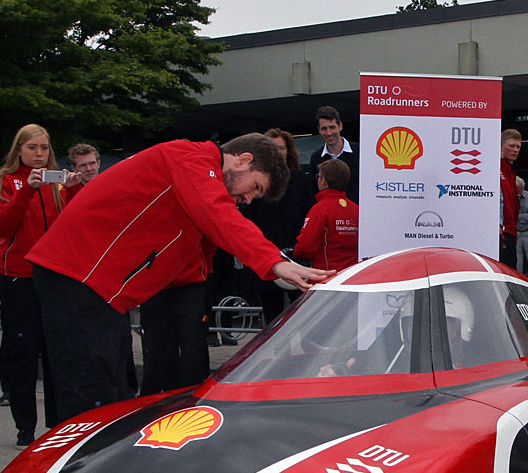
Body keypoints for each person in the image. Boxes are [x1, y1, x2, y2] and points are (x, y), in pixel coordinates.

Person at [28, 133, 331, 424]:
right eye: (255, 187)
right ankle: (76, 472)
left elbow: (212, 229)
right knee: (91, 394)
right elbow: (220, 216)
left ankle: (88, 467)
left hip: (95, 287)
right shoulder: (190, 159)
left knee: (107, 393)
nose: (248, 199)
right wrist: (275, 263)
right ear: (242, 159)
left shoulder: (191, 168)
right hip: (79, 279)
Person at [0, 124, 67, 447]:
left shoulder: (55, 183)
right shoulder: (5, 182)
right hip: (18, 277)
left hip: (52, 277)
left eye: (44, 148)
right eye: (32, 148)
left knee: (55, 351)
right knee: (23, 351)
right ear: (19, 149)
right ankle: (24, 426)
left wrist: (72, 189)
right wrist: (26, 191)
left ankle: (57, 423)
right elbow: (1, 225)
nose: (39, 154)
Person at [241, 128, 315, 324]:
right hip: (266, 251)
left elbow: (310, 212)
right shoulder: (254, 179)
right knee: (271, 311)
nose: (278, 152)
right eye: (273, 148)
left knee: (301, 311)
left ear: (288, 150)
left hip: (296, 253)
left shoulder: (301, 179)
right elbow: (248, 215)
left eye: (281, 148)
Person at [139, 237, 214, 395]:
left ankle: (195, 395)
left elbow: (208, 240)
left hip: (188, 282)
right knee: (157, 348)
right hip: (157, 285)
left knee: (193, 346)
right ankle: (158, 397)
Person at [294, 159, 359, 271]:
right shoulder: (357, 210)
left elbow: (305, 248)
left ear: (323, 180)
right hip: (352, 277)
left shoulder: (320, 209)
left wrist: (295, 254)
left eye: (318, 177)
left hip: (325, 277)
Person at [308, 105, 359, 202]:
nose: (329, 133)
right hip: (328, 214)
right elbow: (313, 192)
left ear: (340, 126)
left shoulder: (359, 152)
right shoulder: (316, 157)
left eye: (332, 127)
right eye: (324, 129)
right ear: (319, 129)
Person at [499, 129, 521, 268]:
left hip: (512, 232)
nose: (515, 150)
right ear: (501, 146)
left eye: (518, 147)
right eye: (511, 146)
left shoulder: (511, 173)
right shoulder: (495, 168)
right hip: (503, 233)